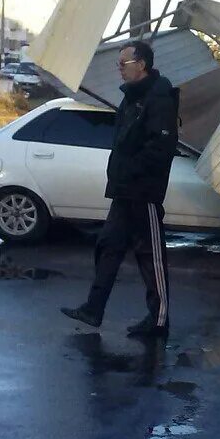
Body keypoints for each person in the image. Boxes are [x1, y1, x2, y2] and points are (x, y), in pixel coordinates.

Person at [62, 40, 178, 337]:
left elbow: (161, 147)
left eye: (123, 64)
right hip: (124, 190)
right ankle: (93, 309)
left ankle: (159, 320)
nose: (119, 70)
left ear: (141, 65)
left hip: (144, 191)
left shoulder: (159, 97)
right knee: (108, 247)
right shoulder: (131, 99)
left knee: (150, 256)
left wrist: (131, 169)